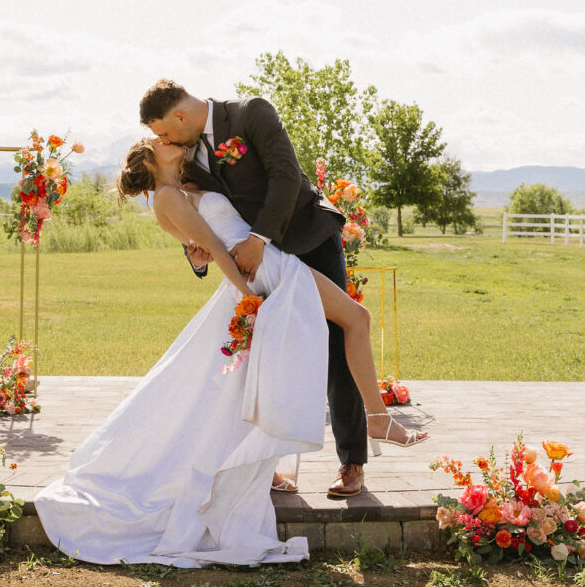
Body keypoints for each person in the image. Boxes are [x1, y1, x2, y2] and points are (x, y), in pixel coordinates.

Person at [34, 137, 427, 569]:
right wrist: (253, 298)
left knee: (271, 369)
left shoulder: (186, 187)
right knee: (355, 320)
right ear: (150, 159)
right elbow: (217, 251)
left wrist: (228, 266)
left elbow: (213, 240)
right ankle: (377, 420)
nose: (171, 142)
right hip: (265, 276)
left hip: (266, 268)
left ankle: (350, 430)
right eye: (160, 142)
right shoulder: (168, 197)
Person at [140, 80, 385, 497]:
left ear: (179, 117)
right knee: (258, 353)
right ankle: (259, 464)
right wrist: (197, 256)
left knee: (336, 337)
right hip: (261, 269)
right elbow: (198, 217)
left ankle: (352, 462)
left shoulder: (251, 112)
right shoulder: (188, 155)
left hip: (306, 238)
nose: (161, 141)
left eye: (162, 132)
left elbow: (287, 176)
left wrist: (259, 240)